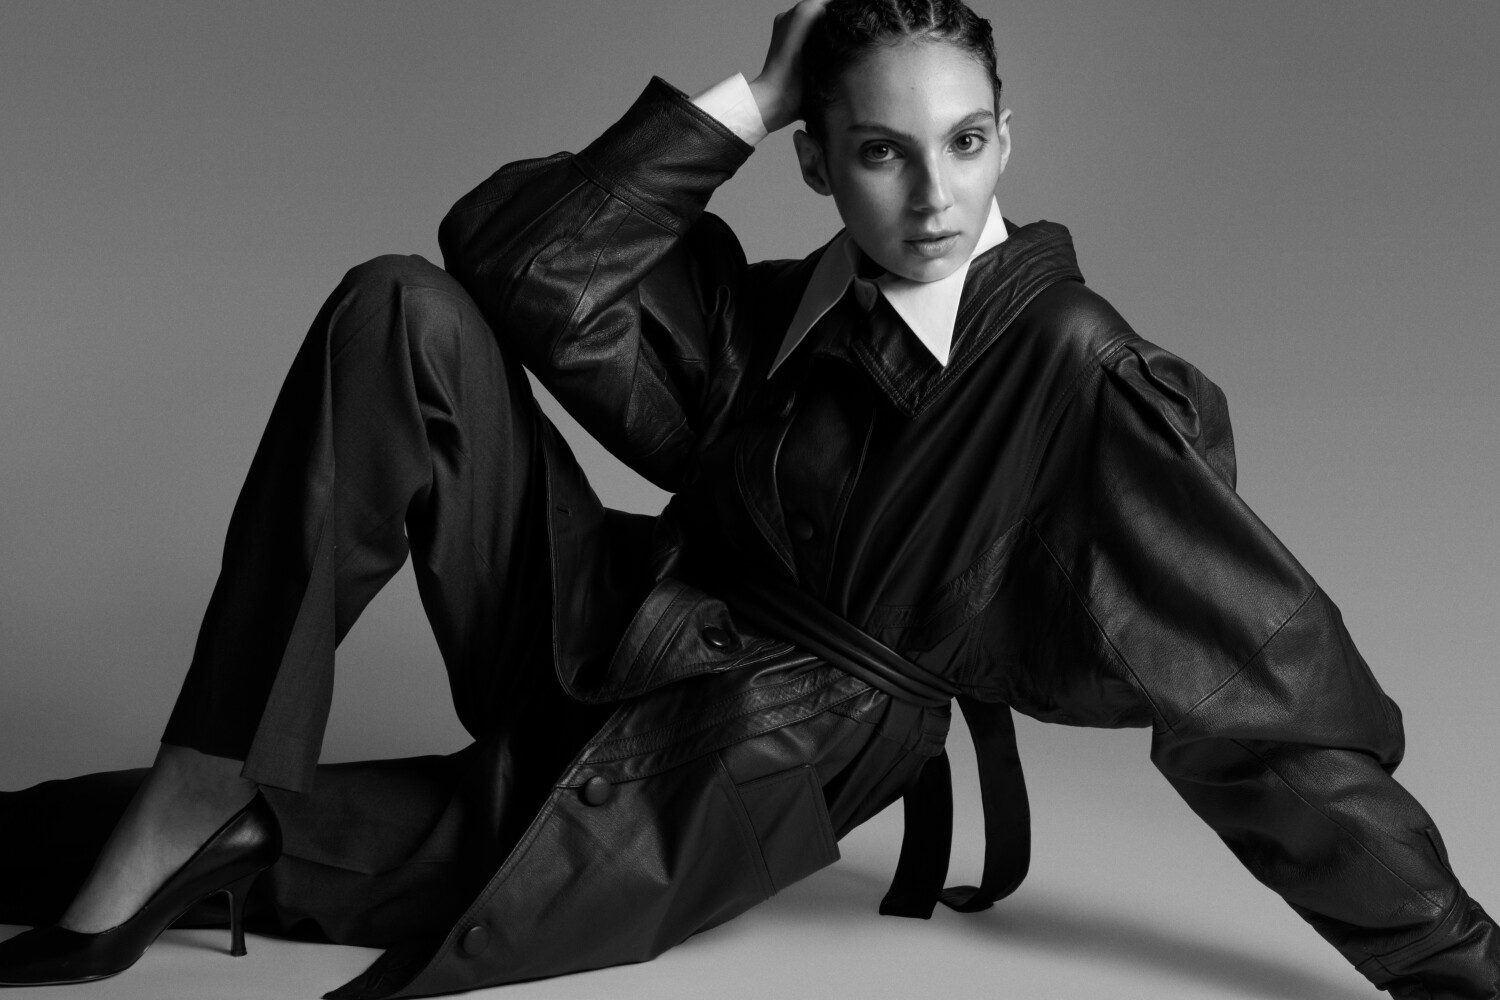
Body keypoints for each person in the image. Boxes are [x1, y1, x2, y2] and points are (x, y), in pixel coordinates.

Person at [1, 0, 1496, 997]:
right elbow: (514, 264)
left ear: (1008, 133)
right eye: (880, 151)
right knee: (398, 307)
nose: (935, 197)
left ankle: (183, 830)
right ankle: (203, 771)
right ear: (814, 163)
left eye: (967, 141)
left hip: (749, 754)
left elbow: (1255, 691)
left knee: (290, 852)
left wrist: (1454, 961)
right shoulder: (784, 304)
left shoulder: (1069, 365)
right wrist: (749, 93)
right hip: (613, 624)